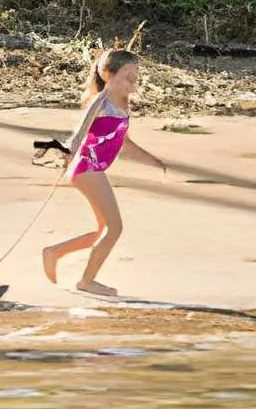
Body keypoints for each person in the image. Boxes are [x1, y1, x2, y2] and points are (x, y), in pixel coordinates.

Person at [42, 48, 168, 296]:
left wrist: (152, 160)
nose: (133, 77)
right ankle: (87, 281)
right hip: (87, 167)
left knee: (103, 231)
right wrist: (68, 153)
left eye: (135, 72)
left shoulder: (122, 103)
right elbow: (79, 132)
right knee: (115, 228)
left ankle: (54, 252)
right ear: (109, 74)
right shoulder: (102, 100)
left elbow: (123, 143)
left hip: (93, 168)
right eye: (127, 72)